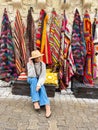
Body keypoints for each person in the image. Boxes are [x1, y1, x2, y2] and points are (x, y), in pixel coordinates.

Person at [27, 50, 51, 118]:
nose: (39, 59)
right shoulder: (29, 64)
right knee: (34, 80)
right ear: (33, 58)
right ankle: (35, 101)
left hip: (39, 79)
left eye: (39, 57)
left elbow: (42, 76)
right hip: (31, 79)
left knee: (41, 87)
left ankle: (47, 106)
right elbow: (31, 75)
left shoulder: (42, 64)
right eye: (37, 58)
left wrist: (39, 85)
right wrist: (31, 65)